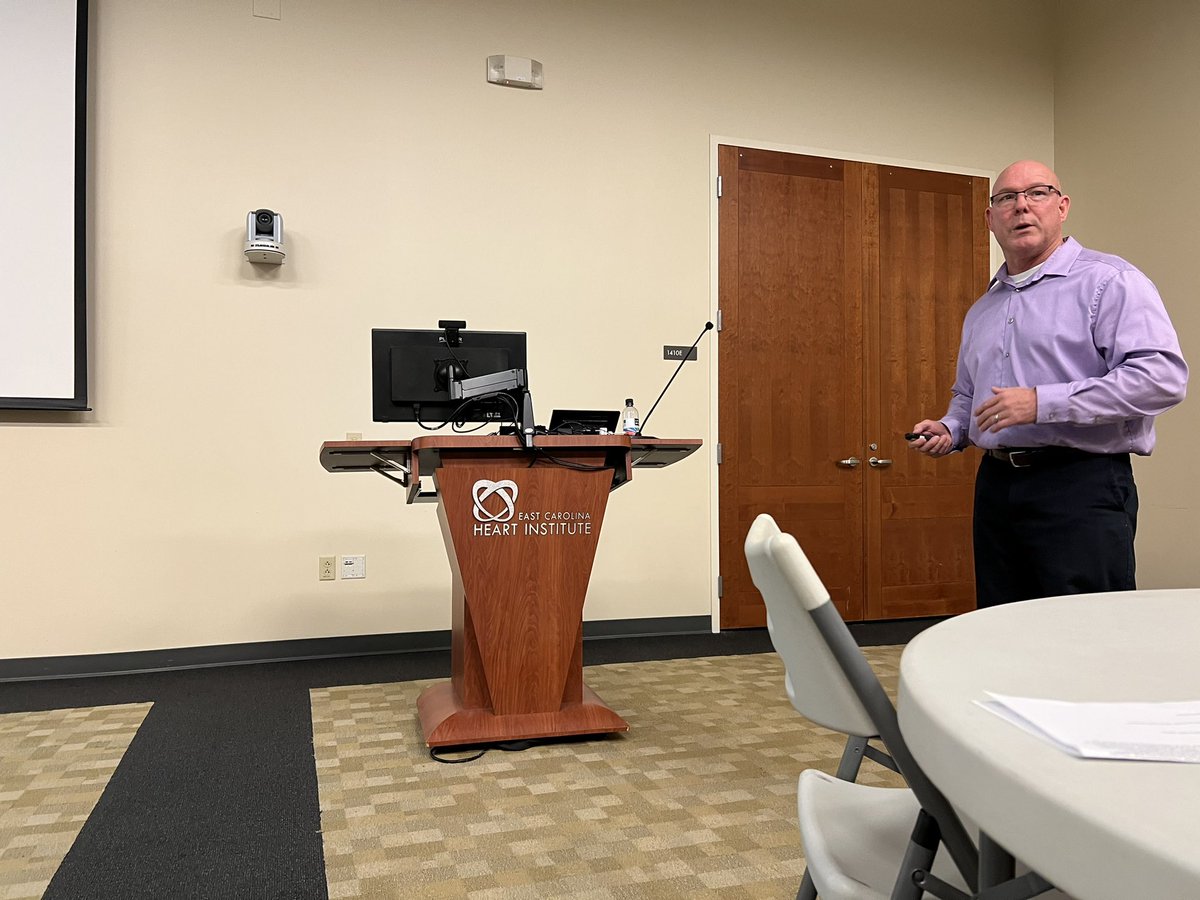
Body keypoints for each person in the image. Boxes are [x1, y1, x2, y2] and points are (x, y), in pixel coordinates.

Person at [908, 160, 1187, 607]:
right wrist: (951, 429)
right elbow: (967, 394)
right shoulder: (984, 307)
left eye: (1037, 193)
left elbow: (1161, 379)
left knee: (1086, 633)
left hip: (1080, 484)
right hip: (997, 486)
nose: (1022, 206)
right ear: (990, 218)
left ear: (1062, 206)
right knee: (1003, 626)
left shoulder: (1110, 282)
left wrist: (1043, 403)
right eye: (1007, 198)